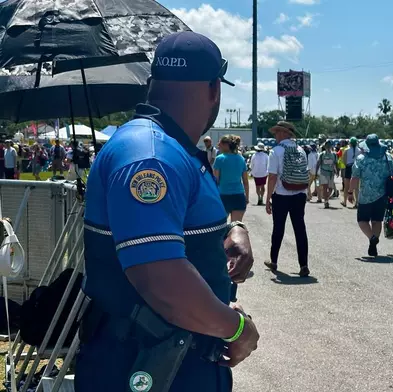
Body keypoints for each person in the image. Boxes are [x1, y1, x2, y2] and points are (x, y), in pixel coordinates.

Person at [78, 31, 259, 392]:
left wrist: (232, 233)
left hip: (169, 357)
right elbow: (160, 278)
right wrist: (236, 328)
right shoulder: (152, 154)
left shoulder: (170, 147)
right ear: (214, 91)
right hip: (145, 363)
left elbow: (175, 229)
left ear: (152, 83)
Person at [264, 121, 310, 277]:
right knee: (300, 229)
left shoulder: (276, 151)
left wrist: (268, 197)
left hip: (281, 194)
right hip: (299, 193)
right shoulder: (301, 150)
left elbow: (272, 177)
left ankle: (274, 261)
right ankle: (304, 265)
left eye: (277, 132)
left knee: (278, 228)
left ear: (284, 133)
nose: (275, 135)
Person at [349, 134, 393, 256]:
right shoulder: (388, 158)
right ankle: (373, 242)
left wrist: (350, 192)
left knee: (362, 220)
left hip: (366, 195)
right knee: (377, 220)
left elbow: (355, 177)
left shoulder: (361, 159)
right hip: (382, 194)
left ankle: (371, 238)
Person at [214, 134, 250, 221]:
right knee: (236, 226)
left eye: (220, 144)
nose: (218, 146)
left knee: (220, 227)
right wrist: (247, 197)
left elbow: (216, 181)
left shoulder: (219, 159)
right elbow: (245, 181)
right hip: (239, 196)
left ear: (226, 145)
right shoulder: (241, 159)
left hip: (223, 196)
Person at [316, 140, 338, 209]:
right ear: (325, 146)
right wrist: (317, 172)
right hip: (323, 173)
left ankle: (326, 198)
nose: (328, 147)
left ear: (331, 146)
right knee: (325, 188)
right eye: (327, 145)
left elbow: (335, 163)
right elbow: (318, 163)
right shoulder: (322, 154)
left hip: (331, 173)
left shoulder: (334, 154)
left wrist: (337, 171)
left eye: (329, 145)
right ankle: (326, 201)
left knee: (331, 189)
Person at [341, 137, 358, 208]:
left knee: (346, 186)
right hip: (356, 168)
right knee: (356, 187)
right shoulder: (359, 150)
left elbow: (344, 160)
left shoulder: (346, 150)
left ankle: (344, 202)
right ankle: (356, 203)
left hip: (348, 167)